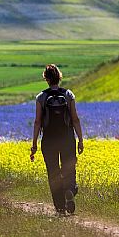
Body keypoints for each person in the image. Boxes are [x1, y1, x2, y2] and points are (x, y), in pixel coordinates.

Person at [30, 64, 84, 215]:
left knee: (53, 173)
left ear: (46, 79)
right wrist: (80, 139)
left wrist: (34, 144)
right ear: (59, 77)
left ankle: (60, 208)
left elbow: (37, 122)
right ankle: (69, 190)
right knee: (69, 169)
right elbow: (75, 119)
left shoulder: (41, 97)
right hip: (67, 138)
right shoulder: (68, 94)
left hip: (49, 140)